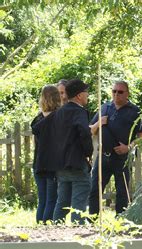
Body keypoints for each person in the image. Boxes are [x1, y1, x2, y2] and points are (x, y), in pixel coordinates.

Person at [89, 81, 142, 216]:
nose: (116, 94)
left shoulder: (135, 111)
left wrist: (129, 147)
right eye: (114, 91)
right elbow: (90, 130)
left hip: (122, 158)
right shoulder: (104, 107)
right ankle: (92, 220)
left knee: (122, 192)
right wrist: (99, 123)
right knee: (95, 190)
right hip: (103, 156)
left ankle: (120, 220)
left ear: (127, 94)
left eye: (120, 92)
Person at [48, 79, 93, 224]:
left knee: (62, 203)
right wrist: (88, 153)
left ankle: (55, 232)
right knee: (78, 204)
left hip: (60, 164)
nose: (88, 95)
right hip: (77, 163)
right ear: (79, 96)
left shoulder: (59, 112)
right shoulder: (79, 111)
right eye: (86, 92)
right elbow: (84, 133)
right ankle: (77, 235)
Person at [31, 85, 61, 223]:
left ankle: (39, 228)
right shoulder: (59, 118)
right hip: (52, 164)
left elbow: (35, 143)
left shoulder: (37, 119)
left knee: (42, 200)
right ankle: (47, 228)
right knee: (52, 199)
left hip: (38, 163)